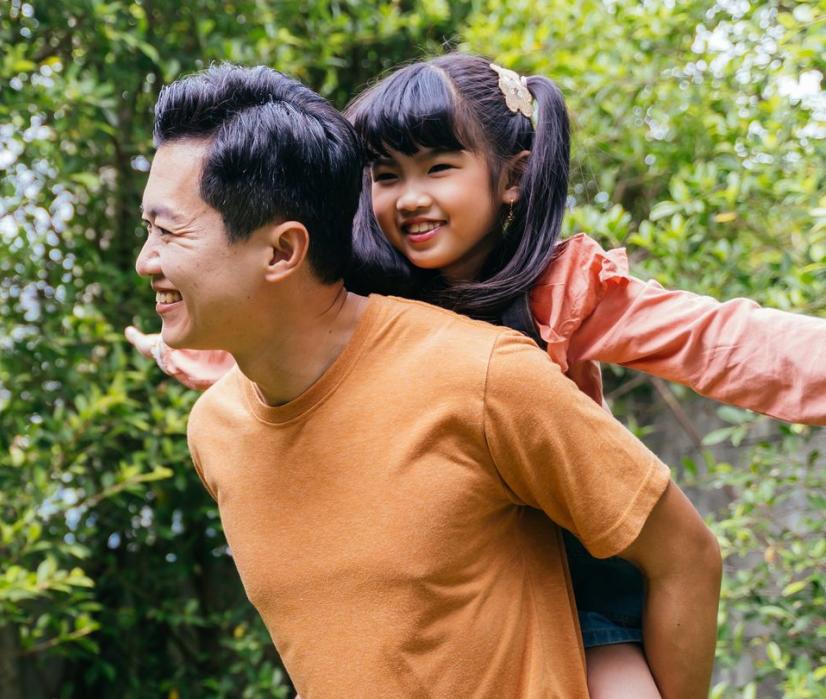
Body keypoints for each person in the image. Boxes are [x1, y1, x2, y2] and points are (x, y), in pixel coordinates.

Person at [128, 53, 826, 697]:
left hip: (586, 564)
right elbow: (292, 336)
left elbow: (721, 341)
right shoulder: (373, 284)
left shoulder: (555, 292)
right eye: (387, 174)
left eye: (438, 168)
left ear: (515, 177)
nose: (408, 199)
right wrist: (194, 351)